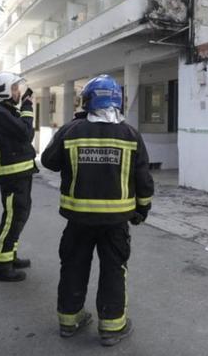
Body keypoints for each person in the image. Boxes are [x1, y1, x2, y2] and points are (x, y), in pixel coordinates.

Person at [41, 74, 154, 347]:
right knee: (114, 270)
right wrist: (142, 209)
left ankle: (69, 321)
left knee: (73, 267)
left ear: (87, 101)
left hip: (78, 219)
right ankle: (112, 327)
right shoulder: (131, 135)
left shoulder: (71, 131)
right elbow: (144, 181)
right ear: (117, 101)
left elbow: (48, 162)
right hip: (116, 222)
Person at [0, 72, 38, 282]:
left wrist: (22, 108)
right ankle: (0, 266)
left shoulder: (5, 111)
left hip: (20, 171)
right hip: (13, 174)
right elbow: (26, 133)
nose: (18, 92)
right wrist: (27, 108)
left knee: (18, 217)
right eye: (15, 88)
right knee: (12, 218)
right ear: (6, 90)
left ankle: (9, 255)